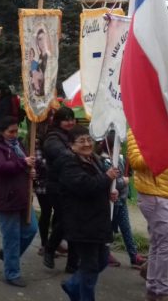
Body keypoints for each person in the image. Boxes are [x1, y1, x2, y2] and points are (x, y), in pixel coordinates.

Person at [59, 125, 118, 301]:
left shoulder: (94, 159)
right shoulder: (68, 163)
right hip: (82, 223)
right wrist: (106, 178)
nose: (86, 144)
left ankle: (72, 285)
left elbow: (97, 185)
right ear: (71, 145)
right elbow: (85, 186)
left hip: (97, 221)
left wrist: (109, 191)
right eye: (81, 141)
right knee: (90, 267)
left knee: (102, 259)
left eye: (88, 140)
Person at [127, 128, 168, 301]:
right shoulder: (136, 130)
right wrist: (161, 149)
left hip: (167, 194)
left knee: (159, 242)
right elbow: (136, 162)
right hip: (151, 195)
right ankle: (162, 290)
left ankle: (153, 289)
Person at [0, 116, 38, 287]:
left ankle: (8, 255)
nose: (15, 135)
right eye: (11, 132)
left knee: (31, 230)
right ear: (2, 132)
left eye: (16, 131)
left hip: (23, 197)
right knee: (12, 238)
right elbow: (2, 167)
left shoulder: (19, 146)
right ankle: (12, 273)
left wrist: (30, 172)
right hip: (6, 200)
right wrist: (23, 163)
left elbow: (24, 168)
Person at [101, 132, 145, 270]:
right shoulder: (104, 162)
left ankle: (134, 256)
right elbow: (110, 182)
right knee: (107, 228)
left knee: (126, 228)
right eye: (117, 145)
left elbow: (128, 172)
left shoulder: (121, 158)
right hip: (110, 202)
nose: (120, 147)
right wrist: (123, 182)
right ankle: (104, 253)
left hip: (122, 200)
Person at [43, 107, 78, 271]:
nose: (70, 122)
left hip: (71, 184)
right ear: (58, 121)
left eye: (72, 118)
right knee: (67, 220)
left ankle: (72, 263)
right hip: (57, 185)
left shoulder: (71, 136)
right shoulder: (52, 137)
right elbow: (59, 153)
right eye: (66, 119)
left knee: (71, 221)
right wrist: (75, 153)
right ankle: (49, 249)